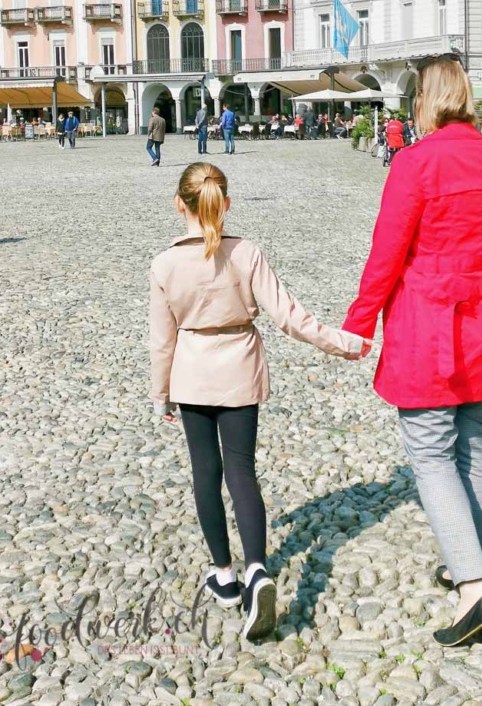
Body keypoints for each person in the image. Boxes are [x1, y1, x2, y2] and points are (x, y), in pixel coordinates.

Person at [342, 57, 482, 647]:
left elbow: (387, 252)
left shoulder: (415, 162)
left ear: (424, 99)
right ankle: (473, 563)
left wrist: (359, 324)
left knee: (432, 452)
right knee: (474, 443)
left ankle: (472, 584)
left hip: (428, 322)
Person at [149, 163, 370, 640]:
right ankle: (257, 569)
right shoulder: (246, 253)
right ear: (226, 204)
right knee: (241, 471)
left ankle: (224, 577)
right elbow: (289, 316)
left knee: (205, 473)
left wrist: (160, 392)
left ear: (178, 203)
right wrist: (343, 342)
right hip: (240, 370)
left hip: (191, 372)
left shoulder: (164, 264)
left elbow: (161, 340)